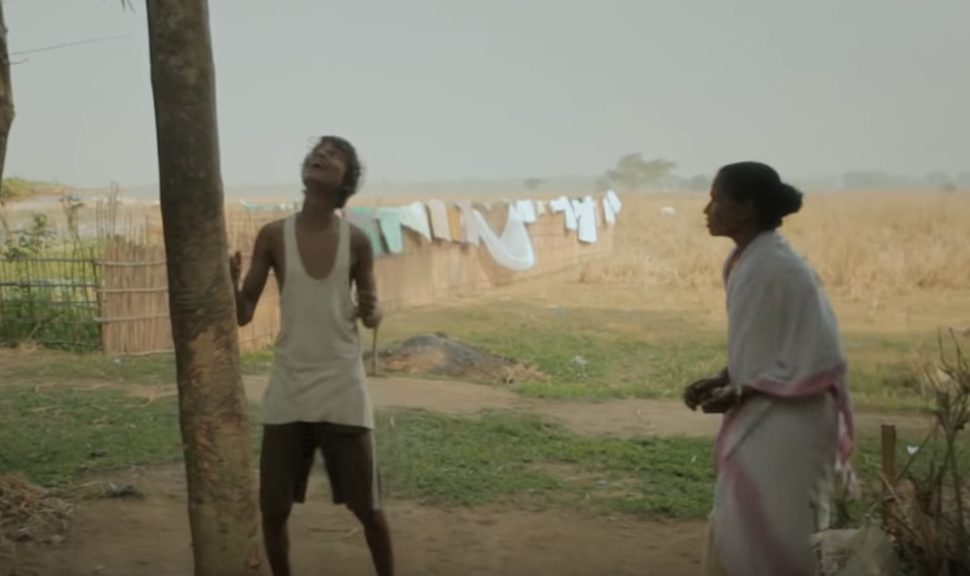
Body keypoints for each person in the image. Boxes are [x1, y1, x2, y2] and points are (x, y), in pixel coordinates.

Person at [229, 136, 394, 576]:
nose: (320, 155)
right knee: (274, 510)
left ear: (346, 182)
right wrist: (230, 287)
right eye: (317, 151)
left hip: (343, 386)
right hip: (289, 387)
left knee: (369, 509)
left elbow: (372, 312)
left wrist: (372, 309)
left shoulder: (357, 242)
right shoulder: (272, 236)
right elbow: (243, 314)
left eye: (334, 154)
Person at [683, 161, 854, 576]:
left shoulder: (777, 266)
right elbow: (767, 342)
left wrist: (743, 390)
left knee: (779, 525)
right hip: (768, 406)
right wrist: (725, 376)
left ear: (745, 208)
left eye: (717, 200)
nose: (708, 210)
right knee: (741, 516)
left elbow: (816, 351)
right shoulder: (744, 260)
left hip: (792, 418)